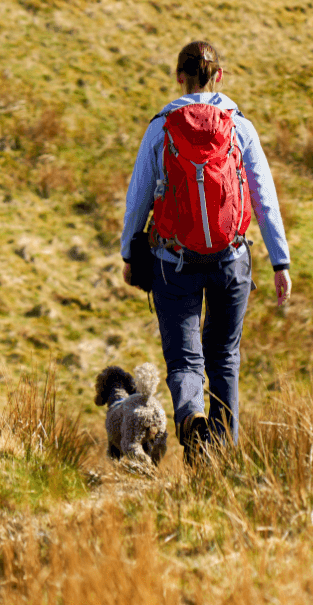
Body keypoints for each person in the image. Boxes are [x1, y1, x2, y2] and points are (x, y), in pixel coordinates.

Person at [119, 40, 291, 461]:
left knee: (184, 358)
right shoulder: (239, 126)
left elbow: (138, 195)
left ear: (180, 76)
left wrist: (129, 252)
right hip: (231, 259)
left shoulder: (161, 127)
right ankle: (225, 455)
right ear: (220, 75)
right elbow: (264, 197)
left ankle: (191, 417)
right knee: (224, 357)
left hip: (173, 263)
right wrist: (280, 261)